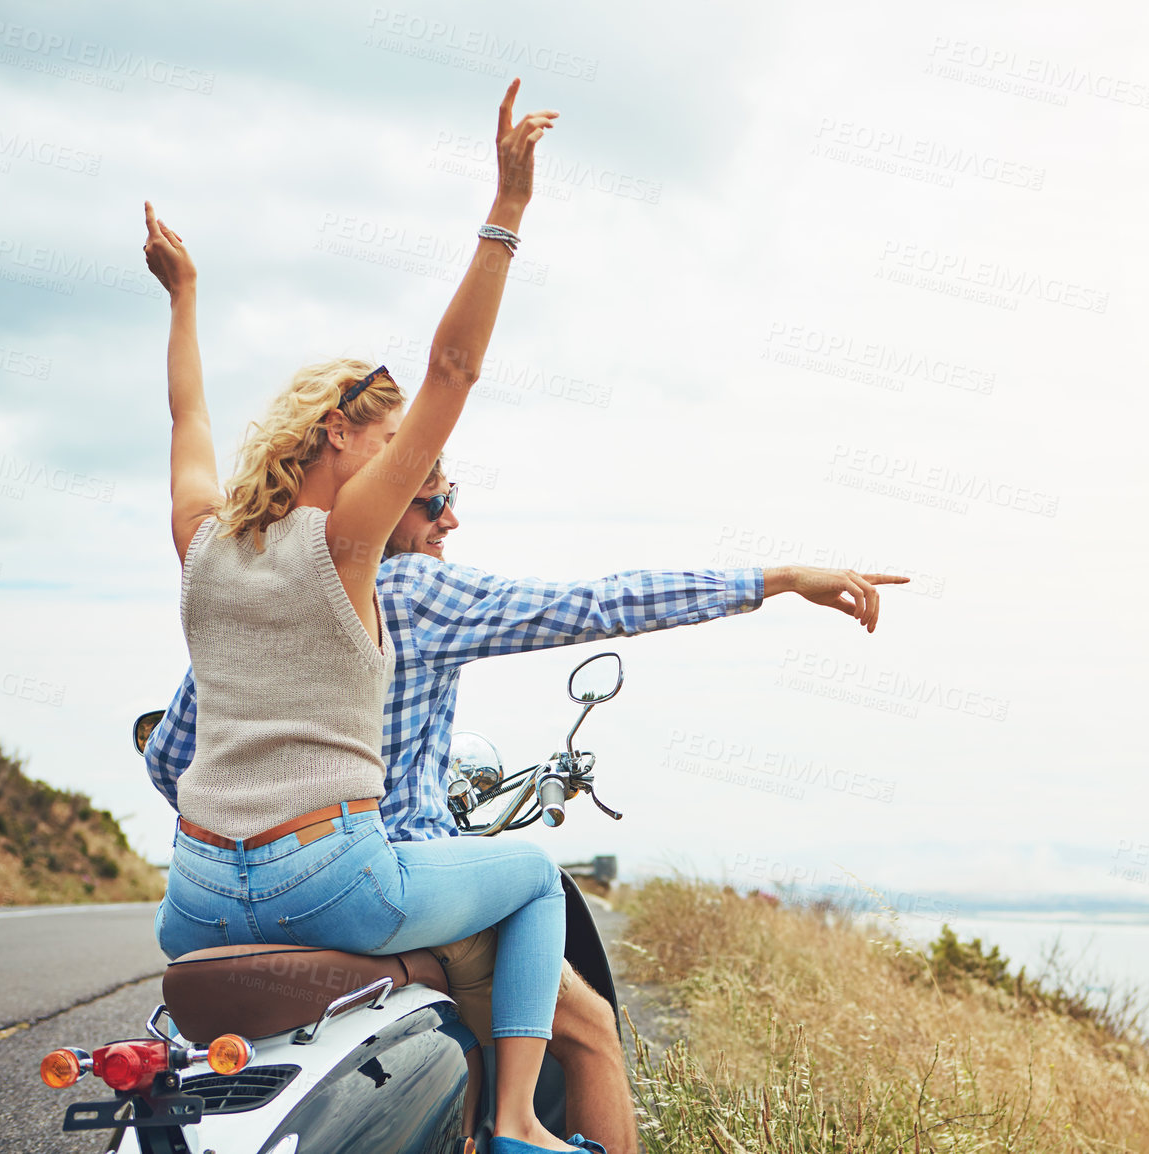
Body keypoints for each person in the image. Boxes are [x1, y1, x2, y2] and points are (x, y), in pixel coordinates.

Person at [144, 458, 908, 1152]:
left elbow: (173, 758)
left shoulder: (265, 593)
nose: (449, 517)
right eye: (430, 499)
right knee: (591, 1031)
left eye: (450, 497)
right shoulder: (416, 589)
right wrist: (774, 580)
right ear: (372, 507)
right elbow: (601, 604)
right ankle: (519, 1127)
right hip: (385, 881)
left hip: (245, 890)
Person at [143, 79, 591, 1154]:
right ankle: (521, 1117)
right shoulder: (345, 545)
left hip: (195, 896)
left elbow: (189, 411)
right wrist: (508, 207)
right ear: (343, 435)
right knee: (533, 873)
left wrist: (184, 296)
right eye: (394, 448)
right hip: (327, 876)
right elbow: (454, 365)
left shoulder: (200, 539)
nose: (408, 470)